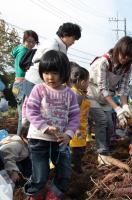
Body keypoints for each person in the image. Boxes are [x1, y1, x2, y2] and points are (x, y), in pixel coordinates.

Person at [23, 50, 80, 200]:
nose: (50, 77)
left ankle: (54, 195)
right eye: (46, 72)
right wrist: (45, 127)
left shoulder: (70, 94)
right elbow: (31, 110)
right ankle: (34, 194)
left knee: (65, 172)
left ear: (64, 73)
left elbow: (74, 117)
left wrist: (68, 134)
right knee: (40, 174)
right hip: (38, 138)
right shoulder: (39, 89)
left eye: (54, 73)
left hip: (60, 141)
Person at [87, 36, 132, 165]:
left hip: (107, 97)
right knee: (102, 121)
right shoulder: (104, 62)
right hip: (92, 93)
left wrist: (125, 106)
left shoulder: (128, 66)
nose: (126, 59)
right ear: (118, 49)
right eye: (124, 55)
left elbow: (122, 88)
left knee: (111, 126)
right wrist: (117, 108)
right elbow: (102, 88)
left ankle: (103, 147)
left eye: (129, 57)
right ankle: (102, 152)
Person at [24, 22, 81, 92]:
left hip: (40, 82)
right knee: (32, 102)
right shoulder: (53, 44)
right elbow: (51, 66)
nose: (73, 42)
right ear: (65, 34)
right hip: (35, 81)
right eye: (73, 38)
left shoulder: (60, 45)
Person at [11, 30, 39, 136]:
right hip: (23, 84)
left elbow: (13, 54)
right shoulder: (24, 51)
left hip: (17, 85)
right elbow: (23, 69)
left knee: (23, 115)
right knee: (25, 115)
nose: (31, 44)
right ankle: (19, 140)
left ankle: (21, 138)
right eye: (29, 41)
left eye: (34, 42)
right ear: (24, 40)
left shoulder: (19, 49)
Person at [68, 62, 90, 174]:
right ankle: (74, 171)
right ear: (82, 82)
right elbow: (70, 114)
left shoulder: (80, 93)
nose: (88, 84)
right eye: (88, 81)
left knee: (79, 150)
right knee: (76, 152)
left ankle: (76, 168)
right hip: (76, 130)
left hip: (81, 128)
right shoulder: (76, 95)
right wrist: (75, 129)